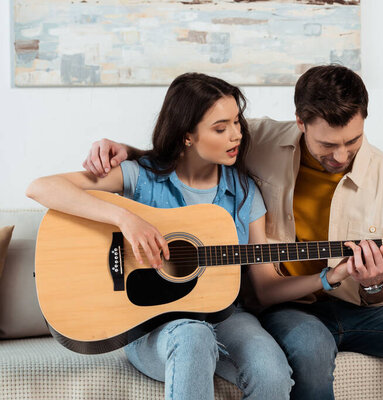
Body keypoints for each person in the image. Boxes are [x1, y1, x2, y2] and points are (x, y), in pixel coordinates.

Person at [83, 65, 383, 400]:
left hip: (353, 301)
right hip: (287, 304)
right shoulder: (255, 139)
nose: (341, 156)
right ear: (300, 122)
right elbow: (194, 144)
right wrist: (129, 154)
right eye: (328, 144)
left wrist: (374, 282)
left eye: (353, 141)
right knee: (307, 349)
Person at [26, 73, 294, 400]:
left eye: (237, 122)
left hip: (226, 315)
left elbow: (266, 284)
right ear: (187, 136)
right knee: (194, 336)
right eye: (221, 128)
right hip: (150, 326)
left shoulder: (243, 192)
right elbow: (41, 187)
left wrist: (328, 278)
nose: (236, 135)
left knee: (272, 373)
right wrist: (126, 219)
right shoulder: (142, 175)